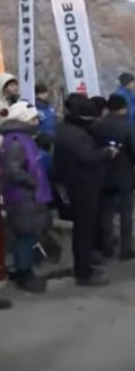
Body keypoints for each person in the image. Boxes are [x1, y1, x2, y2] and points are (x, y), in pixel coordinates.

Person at [54, 95, 117, 286]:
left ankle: (85, 265)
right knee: (84, 230)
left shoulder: (68, 129)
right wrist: (107, 153)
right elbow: (88, 157)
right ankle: (84, 272)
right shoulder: (73, 135)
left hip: (80, 184)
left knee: (85, 229)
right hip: (81, 187)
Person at [1, 101, 53, 293]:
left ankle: (25, 269)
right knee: (24, 235)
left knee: (28, 234)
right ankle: (24, 272)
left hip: (27, 196)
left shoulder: (24, 138)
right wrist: (33, 182)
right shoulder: (15, 141)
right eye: (32, 118)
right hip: (22, 196)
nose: (36, 121)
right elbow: (13, 171)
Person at [92, 94, 135, 261]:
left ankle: (106, 246)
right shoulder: (127, 125)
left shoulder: (97, 125)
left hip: (103, 174)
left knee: (106, 213)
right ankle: (126, 249)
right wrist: (133, 162)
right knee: (125, 214)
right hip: (124, 174)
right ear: (123, 107)